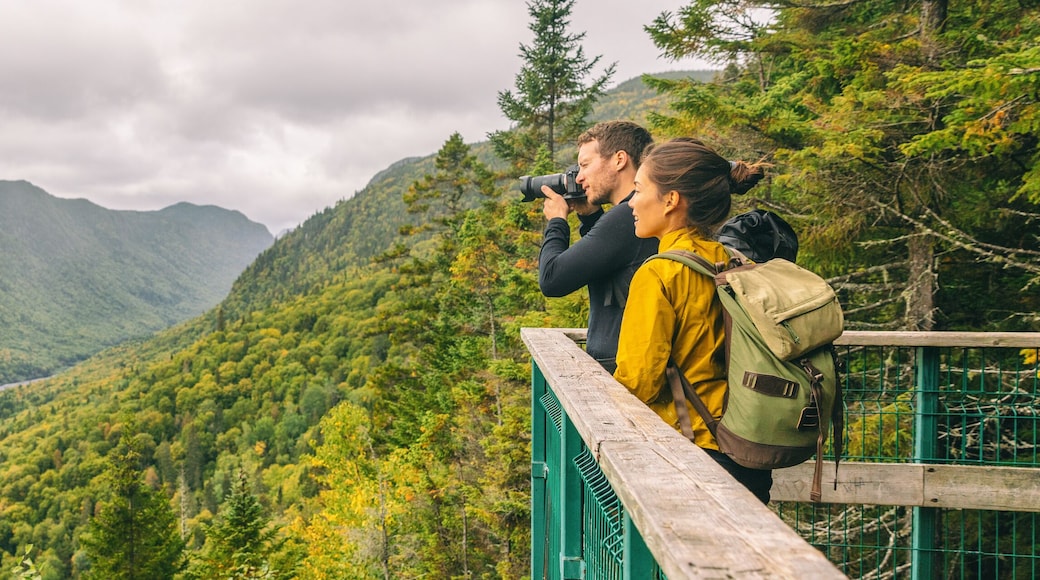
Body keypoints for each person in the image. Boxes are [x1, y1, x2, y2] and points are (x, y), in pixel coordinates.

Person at [612, 138, 773, 503]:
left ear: (671, 200)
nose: (631, 203)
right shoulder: (733, 261)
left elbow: (637, 382)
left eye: (638, 190)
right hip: (745, 446)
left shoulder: (659, 274)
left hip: (691, 450)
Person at [538, 121, 658, 374]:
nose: (579, 177)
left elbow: (552, 279)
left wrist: (557, 222)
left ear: (619, 160)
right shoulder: (639, 215)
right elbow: (613, 263)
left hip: (622, 377)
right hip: (629, 368)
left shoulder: (626, 217)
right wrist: (591, 216)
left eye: (585, 165)